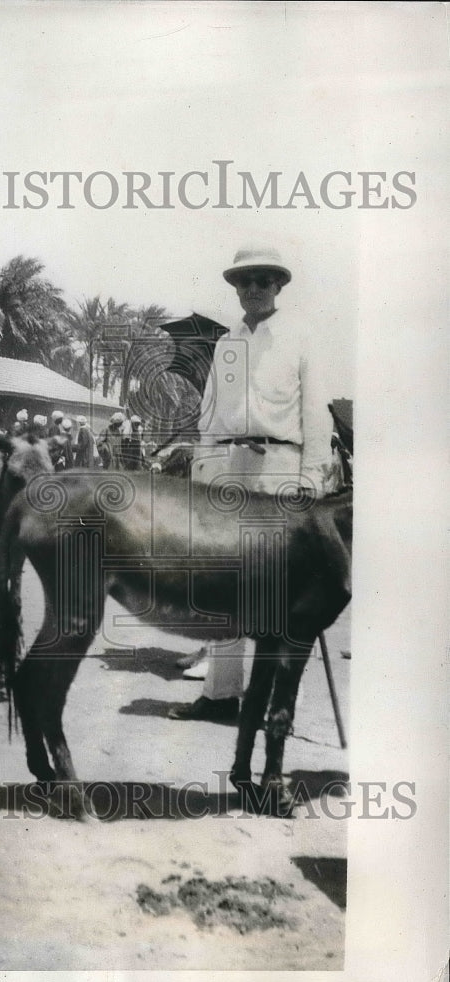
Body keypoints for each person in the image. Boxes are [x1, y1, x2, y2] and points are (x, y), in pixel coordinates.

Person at [169, 245, 339, 722]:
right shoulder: (226, 343)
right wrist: (204, 470)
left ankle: (274, 705)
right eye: (244, 282)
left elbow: (315, 417)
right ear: (235, 288)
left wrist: (311, 476)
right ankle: (220, 695)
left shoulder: (301, 338)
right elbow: (207, 416)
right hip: (227, 466)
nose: (253, 290)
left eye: (263, 281)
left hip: (280, 468)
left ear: (279, 286)